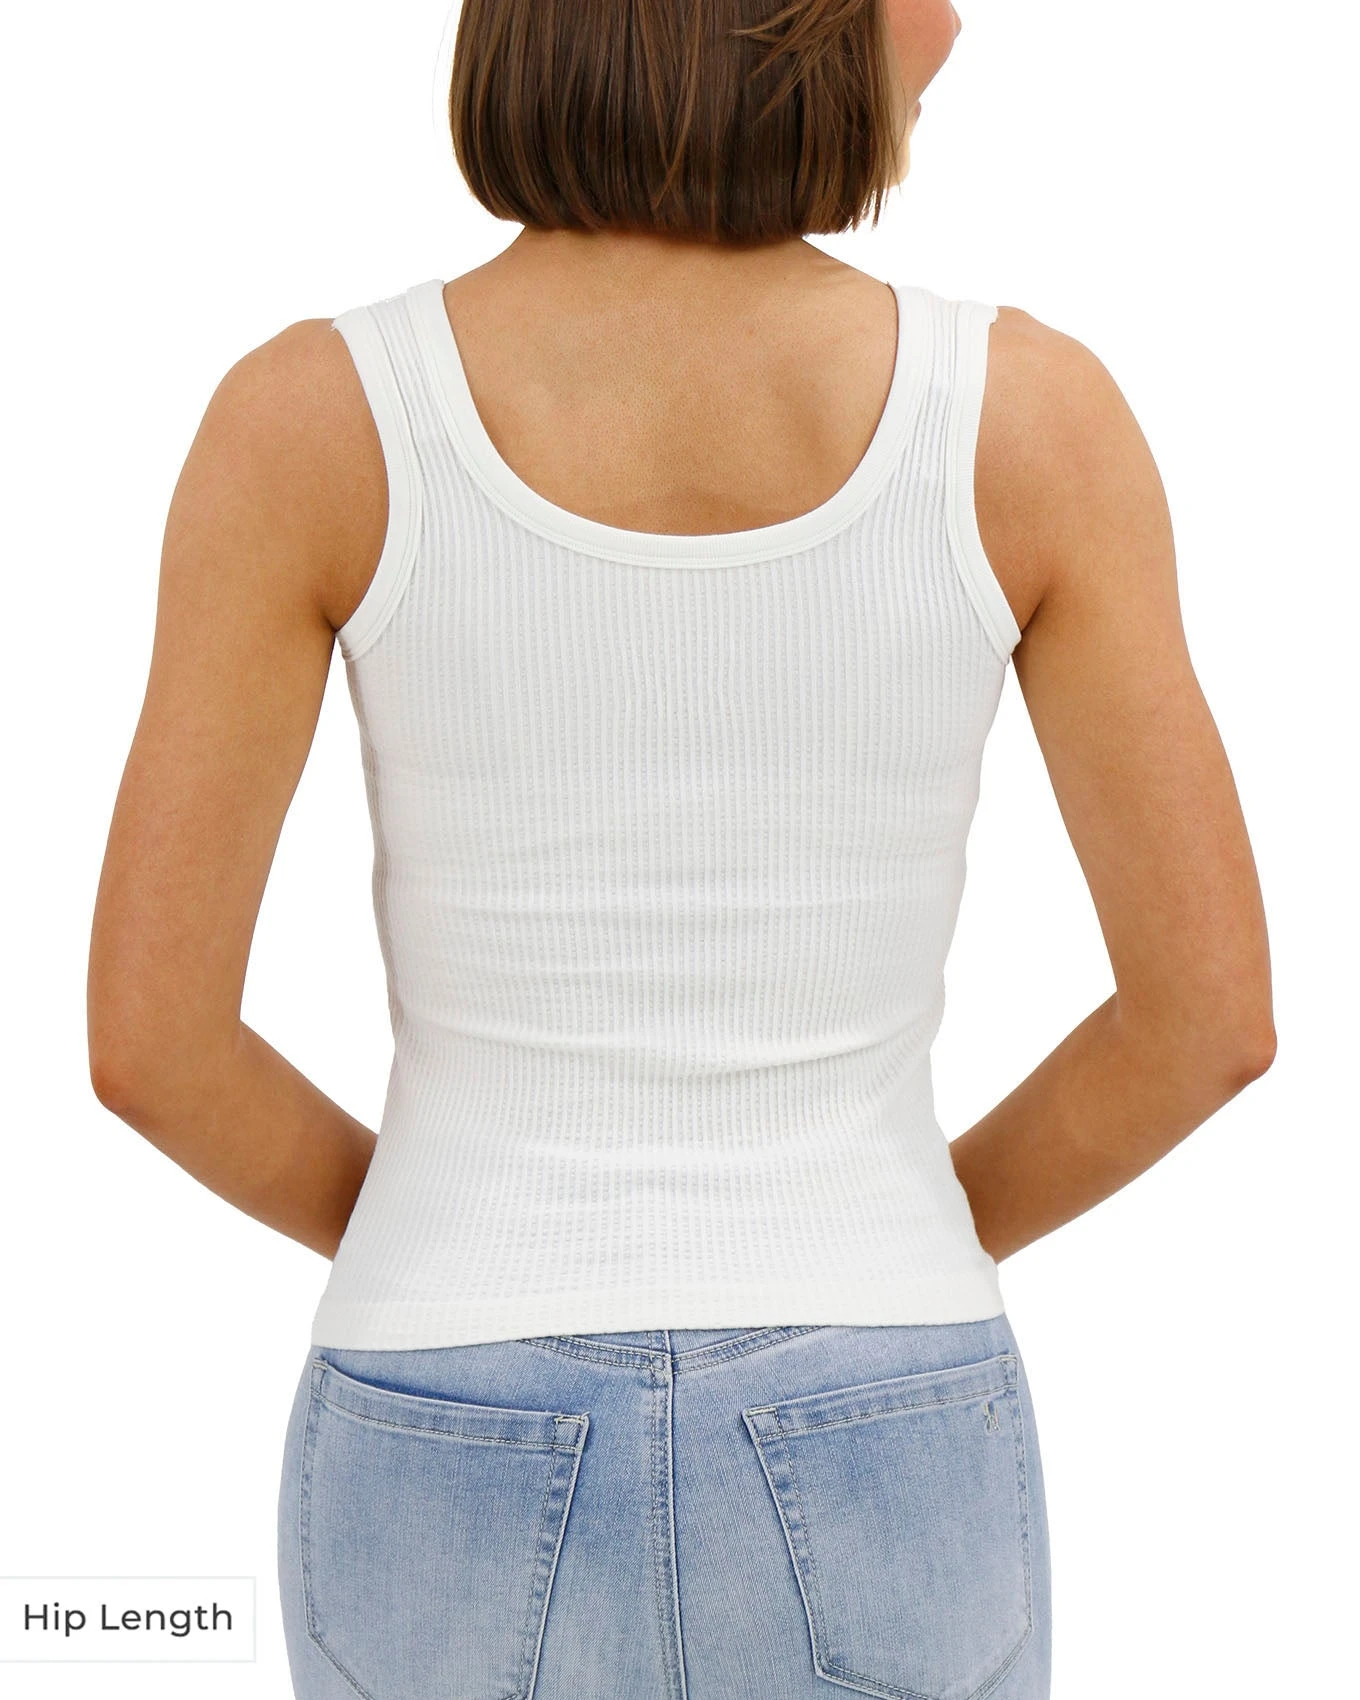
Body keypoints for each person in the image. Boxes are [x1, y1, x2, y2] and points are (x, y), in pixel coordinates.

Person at [86, 1, 1276, 1695]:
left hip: (439, 1415)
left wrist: (445, 1231)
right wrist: (892, 1237)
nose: (948, 22)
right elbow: (1208, 1016)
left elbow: (152, 1046)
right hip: (890, 1406)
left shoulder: (308, 422)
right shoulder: (1034, 421)